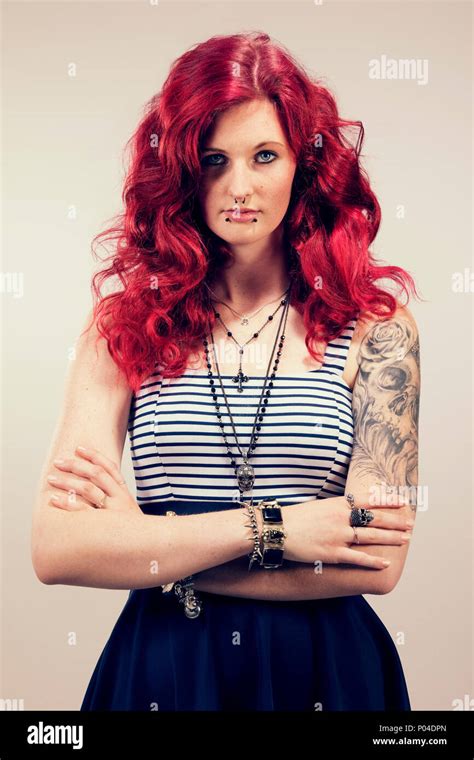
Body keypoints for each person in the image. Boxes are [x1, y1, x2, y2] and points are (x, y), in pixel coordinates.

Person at [31, 31, 421, 711]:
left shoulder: (382, 332)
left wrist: (153, 551)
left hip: (327, 670)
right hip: (165, 670)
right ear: (182, 170)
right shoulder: (120, 328)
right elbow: (58, 549)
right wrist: (277, 530)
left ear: (304, 164)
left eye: (264, 156)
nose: (239, 187)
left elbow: (377, 564)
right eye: (214, 160)